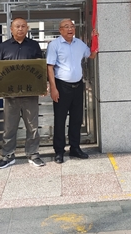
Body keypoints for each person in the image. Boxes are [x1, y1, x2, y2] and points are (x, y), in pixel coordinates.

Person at [0, 17, 45, 168]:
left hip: (30, 94)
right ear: (11, 29)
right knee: (9, 127)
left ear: (27, 28)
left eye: (23, 26)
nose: (20, 29)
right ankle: (8, 156)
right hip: (11, 95)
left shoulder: (34, 45)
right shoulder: (3, 47)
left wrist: (43, 85)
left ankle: (33, 154)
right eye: (17, 26)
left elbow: (40, 68)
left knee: (32, 126)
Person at [46, 19, 97, 164]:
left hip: (78, 86)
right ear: (60, 30)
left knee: (76, 119)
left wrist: (94, 39)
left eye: (72, 26)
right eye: (66, 27)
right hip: (62, 86)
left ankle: (75, 148)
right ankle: (59, 151)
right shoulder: (54, 45)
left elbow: (91, 55)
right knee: (60, 120)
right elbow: (50, 67)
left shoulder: (79, 44)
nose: (70, 29)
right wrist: (53, 88)